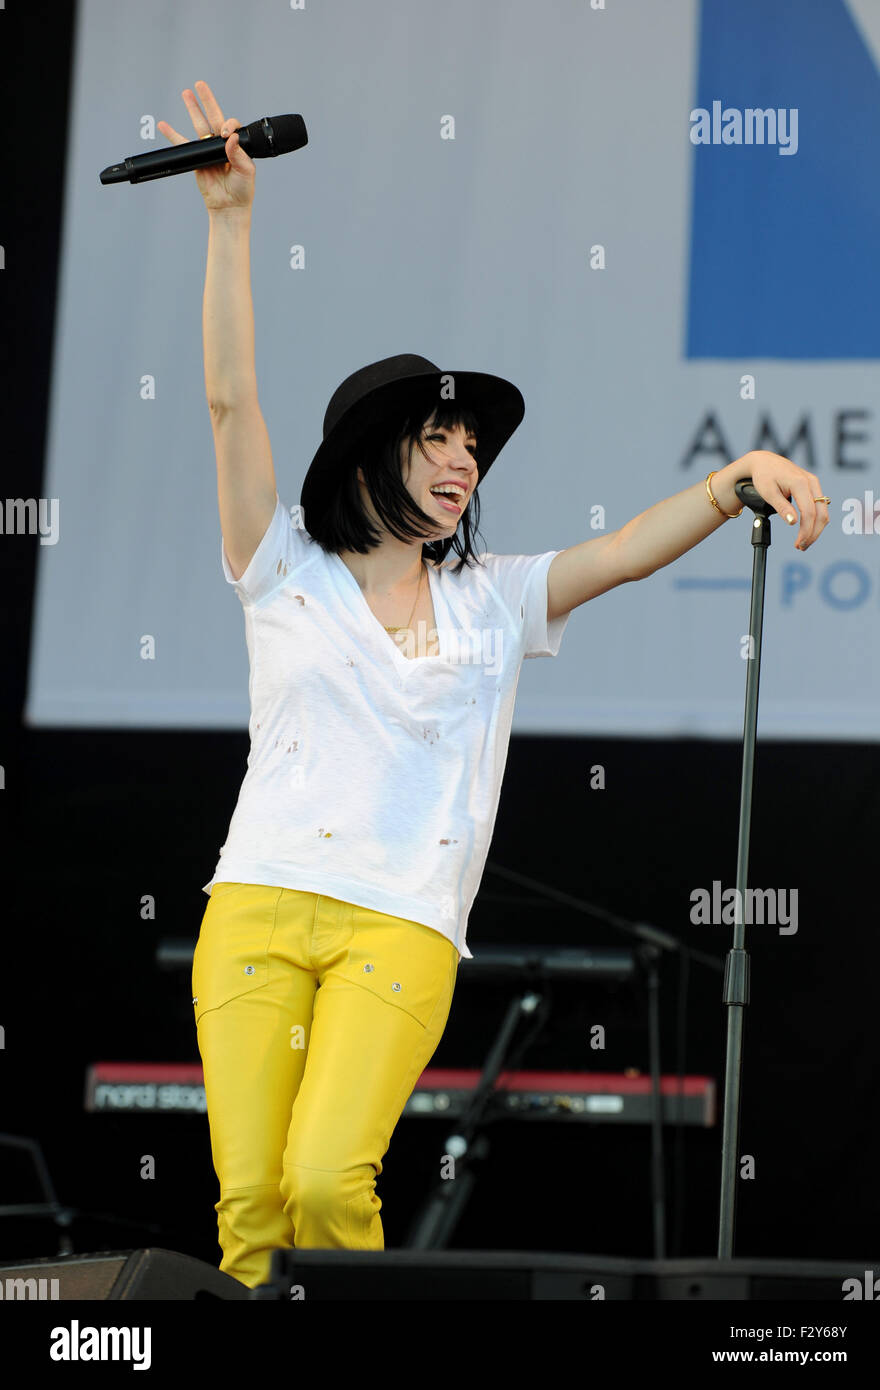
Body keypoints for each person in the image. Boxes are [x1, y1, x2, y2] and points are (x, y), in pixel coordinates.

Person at [159, 82, 831, 1291]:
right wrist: (231, 222)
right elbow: (225, 403)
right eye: (439, 437)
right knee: (251, 1203)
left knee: (323, 1181)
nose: (464, 458)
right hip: (254, 907)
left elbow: (626, 545)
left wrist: (739, 475)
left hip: (398, 923)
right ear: (372, 453)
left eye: (474, 447)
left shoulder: (495, 596)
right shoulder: (281, 567)